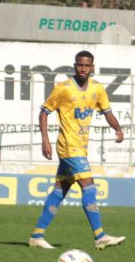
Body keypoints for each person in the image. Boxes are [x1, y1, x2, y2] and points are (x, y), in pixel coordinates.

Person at [28, 50, 126, 250]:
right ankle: (100, 236)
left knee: (59, 190)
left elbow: (107, 112)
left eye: (87, 65)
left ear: (93, 67)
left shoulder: (97, 89)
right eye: (80, 65)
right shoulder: (63, 89)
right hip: (68, 146)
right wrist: (45, 140)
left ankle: (37, 236)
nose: (83, 69)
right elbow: (44, 113)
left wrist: (117, 128)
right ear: (75, 66)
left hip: (80, 146)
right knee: (88, 185)